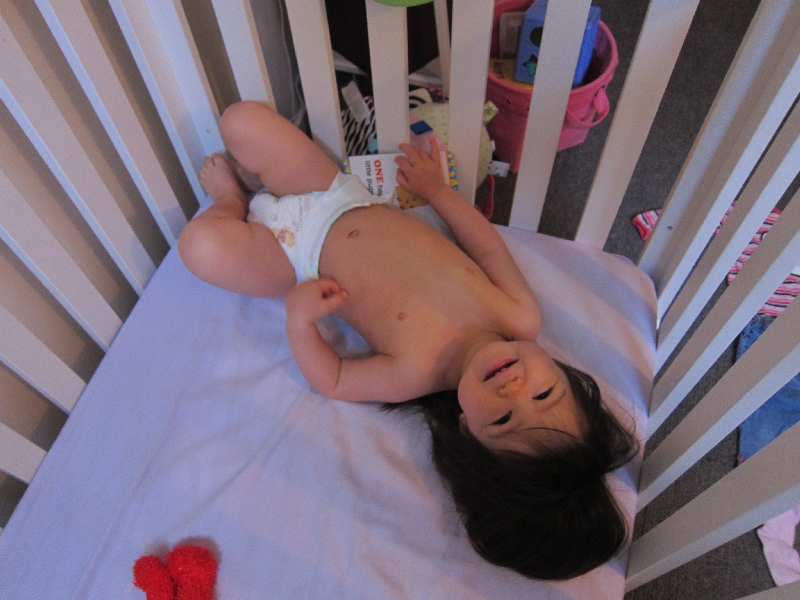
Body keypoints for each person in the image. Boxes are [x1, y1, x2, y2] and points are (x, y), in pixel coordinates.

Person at [178, 100, 637, 580]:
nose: (515, 390)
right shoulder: (519, 315)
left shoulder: (416, 373)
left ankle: (230, 201)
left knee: (201, 247)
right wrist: (437, 191)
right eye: (545, 394)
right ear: (566, 375)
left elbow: (334, 380)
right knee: (240, 121)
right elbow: (486, 245)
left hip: (294, 259)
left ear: (466, 432)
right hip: (337, 197)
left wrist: (300, 320)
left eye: (503, 419)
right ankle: (252, 189)